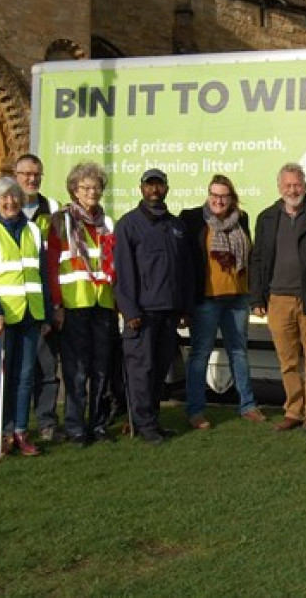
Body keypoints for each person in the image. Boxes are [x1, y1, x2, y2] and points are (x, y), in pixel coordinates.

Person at [250, 163, 306, 432]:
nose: (293, 189)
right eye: (288, 185)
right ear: (279, 187)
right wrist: (257, 298)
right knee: (287, 359)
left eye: (297, 184)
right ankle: (293, 410)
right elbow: (257, 260)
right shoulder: (266, 218)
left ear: (305, 185)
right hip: (278, 299)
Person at [0, 177, 50, 458]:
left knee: (25, 375)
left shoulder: (33, 230)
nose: (10, 202)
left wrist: (47, 313)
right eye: (4, 198)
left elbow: (42, 276)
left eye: (14, 197)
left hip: (30, 314)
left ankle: (20, 432)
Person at [114, 169, 194, 445]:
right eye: (150, 185)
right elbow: (123, 273)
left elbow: (184, 271)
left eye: (159, 185)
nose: (155, 190)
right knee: (141, 370)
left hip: (169, 311)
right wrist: (130, 311)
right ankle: (143, 424)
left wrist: (184, 308)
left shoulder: (176, 226)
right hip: (142, 313)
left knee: (160, 370)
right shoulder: (128, 224)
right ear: (141, 189)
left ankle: (154, 421)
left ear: (167, 189)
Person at [181, 175, 266, 429]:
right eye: (214, 195)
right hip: (206, 300)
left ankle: (248, 405)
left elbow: (250, 259)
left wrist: (254, 296)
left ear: (232, 198)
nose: (218, 200)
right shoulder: (192, 218)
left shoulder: (242, 219)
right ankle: (195, 411)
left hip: (237, 298)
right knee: (200, 355)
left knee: (239, 353)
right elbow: (185, 263)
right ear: (208, 195)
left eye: (224, 196)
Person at [47, 162, 117, 446]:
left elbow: (114, 265)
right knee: (76, 371)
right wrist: (56, 305)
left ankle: (98, 425)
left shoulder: (108, 222)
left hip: (104, 304)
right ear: (74, 190)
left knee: (101, 368)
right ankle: (76, 427)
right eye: (85, 187)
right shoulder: (60, 221)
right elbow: (52, 266)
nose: (92, 192)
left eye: (96, 187)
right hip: (73, 305)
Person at [14, 153, 64, 442]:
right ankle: (13, 424)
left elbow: (59, 260)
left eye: (36, 175)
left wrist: (55, 305)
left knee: (47, 369)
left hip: (44, 303)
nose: (31, 179)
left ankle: (46, 423)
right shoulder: (4, 207)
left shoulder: (54, 209)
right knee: (19, 370)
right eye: (25, 174)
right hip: (13, 304)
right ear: (15, 175)